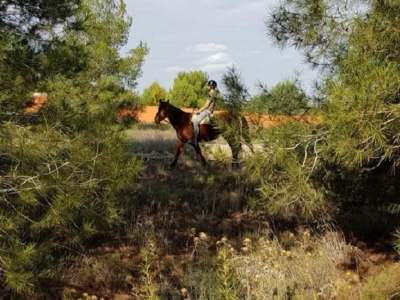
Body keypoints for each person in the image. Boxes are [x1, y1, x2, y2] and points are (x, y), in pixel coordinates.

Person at [189, 80, 218, 146]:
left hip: (207, 111)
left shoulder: (210, 94)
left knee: (196, 121)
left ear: (211, 86)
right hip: (208, 111)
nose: (207, 87)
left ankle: (195, 141)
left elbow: (206, 105)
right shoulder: (214, 93)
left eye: (208, 85)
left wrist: (197, 111)